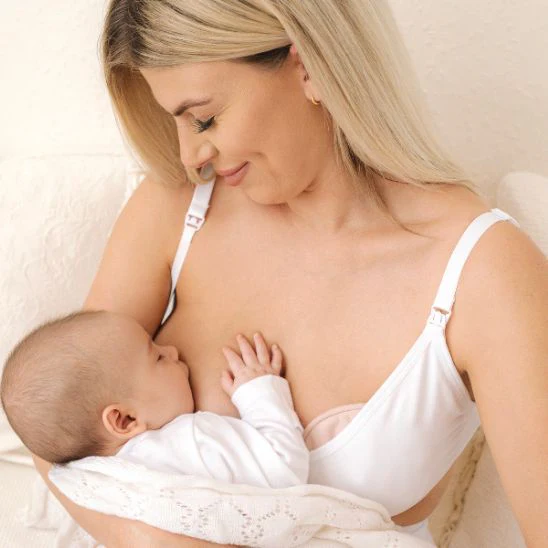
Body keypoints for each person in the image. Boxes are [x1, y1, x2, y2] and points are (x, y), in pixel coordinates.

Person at [32, 0, 547, 546]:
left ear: (308, 66)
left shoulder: (485, 272)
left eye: (204, 119)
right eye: (174, 122)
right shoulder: (178, 207)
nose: (188, 156)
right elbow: (55, 427)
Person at [1, 311, 309, 488]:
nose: (173, 351)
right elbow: (285, 469)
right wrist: (259, 391)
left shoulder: (97, 477)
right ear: (125, 420)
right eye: (158, 357)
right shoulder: (190, 441)